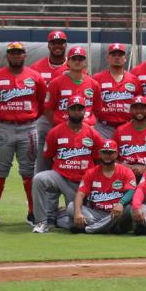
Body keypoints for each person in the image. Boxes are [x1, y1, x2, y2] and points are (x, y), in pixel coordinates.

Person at [0, 41, 46, 226]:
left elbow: (42, 103)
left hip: (27, 128)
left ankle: (31, 212)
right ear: (7, 55)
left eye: (19, 53)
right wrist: (0, 117)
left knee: (28, 172)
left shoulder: (35, 77)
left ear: (25, 55)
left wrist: (30, 117)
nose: (16, 56)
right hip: (3, 127)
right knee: (0, 171)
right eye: (12, 53)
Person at [32, 96, 103, 233]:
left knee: (77, 223)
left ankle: (59, 217)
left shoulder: (92, 133)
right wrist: (56, 173)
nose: (77, 112)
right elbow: (48, 157)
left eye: (80, 109)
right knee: (39, 179)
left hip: (82, 182)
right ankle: (41, 221)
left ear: (85, 111)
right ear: (67, 111)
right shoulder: (56, 132)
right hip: (60, 177)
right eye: (73, 109)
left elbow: (98, 160)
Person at [68, 139, 136, 234]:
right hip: (96, 213)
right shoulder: (91, 172)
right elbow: (80, 194)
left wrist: (121, 203)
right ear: (100, 154)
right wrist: (78, 213)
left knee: (129, 208)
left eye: (110, 152)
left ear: (116, 154)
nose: (107, 155)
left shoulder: (125, 171)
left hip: (117, 213)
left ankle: (88, 229)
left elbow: (131, 191)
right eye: (104, 152)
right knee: (71, 207)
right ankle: (109, 227)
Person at [30, 30, 69, 172]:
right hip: (44, 119)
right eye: (54, 43)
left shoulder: (75, 66)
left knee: (69, 158)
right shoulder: (36, 68)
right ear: (48, 45)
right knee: (42, 159)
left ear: (65, 45)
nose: (57, 46)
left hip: (67, 118)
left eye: (61, 43)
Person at [43, 46, 101, 127]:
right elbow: (48, 109)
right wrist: (58, 125)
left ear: (85, 62)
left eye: (80, 59)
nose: (77, 62)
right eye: (74, 59)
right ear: (68, 62)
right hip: (62, 127)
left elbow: (97, 109)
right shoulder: (55, 83)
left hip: (86, 128)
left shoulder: (94, 84)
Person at [93, 43, 141, 139]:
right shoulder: (97, 78)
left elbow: (139, 103)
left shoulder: (134, 80)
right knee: (104, 153)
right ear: (108, 58)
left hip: (127, 126)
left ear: (125, 58)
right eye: (114, 55)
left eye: (120, 55)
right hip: (104, 127)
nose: (117, 57)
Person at [112, 96, 146, 180]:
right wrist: (126, 166)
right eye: (136, 108)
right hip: (125, 171)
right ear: (130, 110)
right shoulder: (120, 130)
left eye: (142, 108)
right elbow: (112, 157)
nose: (139, 111)